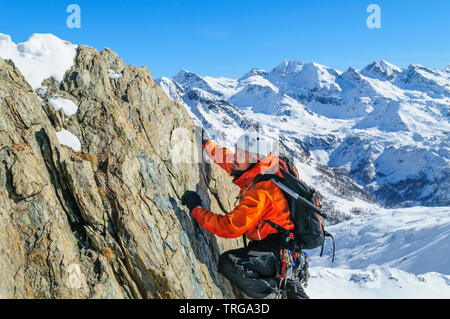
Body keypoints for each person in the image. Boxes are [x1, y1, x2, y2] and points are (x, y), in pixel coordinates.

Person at [181, 131, 309, 299]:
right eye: (237, 151)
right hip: (280, 253)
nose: (235, 157)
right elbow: (230, 161)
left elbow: (230, 227)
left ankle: (275, 294)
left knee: (229, 263)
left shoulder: (261, 191)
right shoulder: (262, 170)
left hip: (276, 254)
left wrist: (196, 208)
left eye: (241, 155)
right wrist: (208, 145)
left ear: (254, 160)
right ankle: (287, 288)